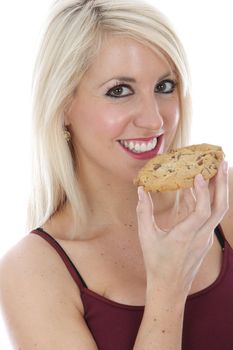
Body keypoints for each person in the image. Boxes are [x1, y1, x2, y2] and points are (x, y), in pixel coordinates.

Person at [0, 0, 232, 349]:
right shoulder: (32, 272)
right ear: (63, 105)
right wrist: (168, 288)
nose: (154, 121)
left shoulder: (221, 205)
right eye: (119, 91)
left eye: (164, 86)